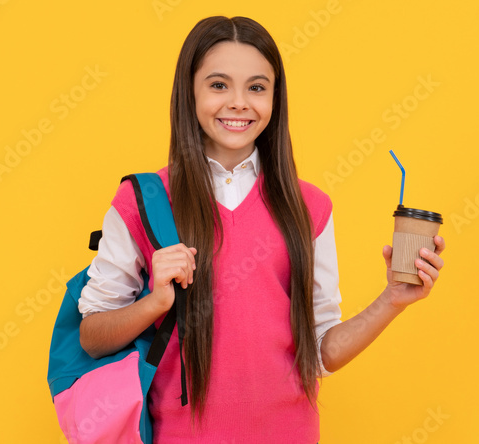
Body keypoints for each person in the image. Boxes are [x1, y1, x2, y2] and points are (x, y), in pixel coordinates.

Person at [76, 16, 446, 443]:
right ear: (189, 93)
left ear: (275, 98)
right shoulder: (145, 201)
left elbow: (322, 351)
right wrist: (155, 303)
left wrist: (394, 300)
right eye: (218, 85)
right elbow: (92, 337)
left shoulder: (310, 207)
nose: (238, 103)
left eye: (256, 87)